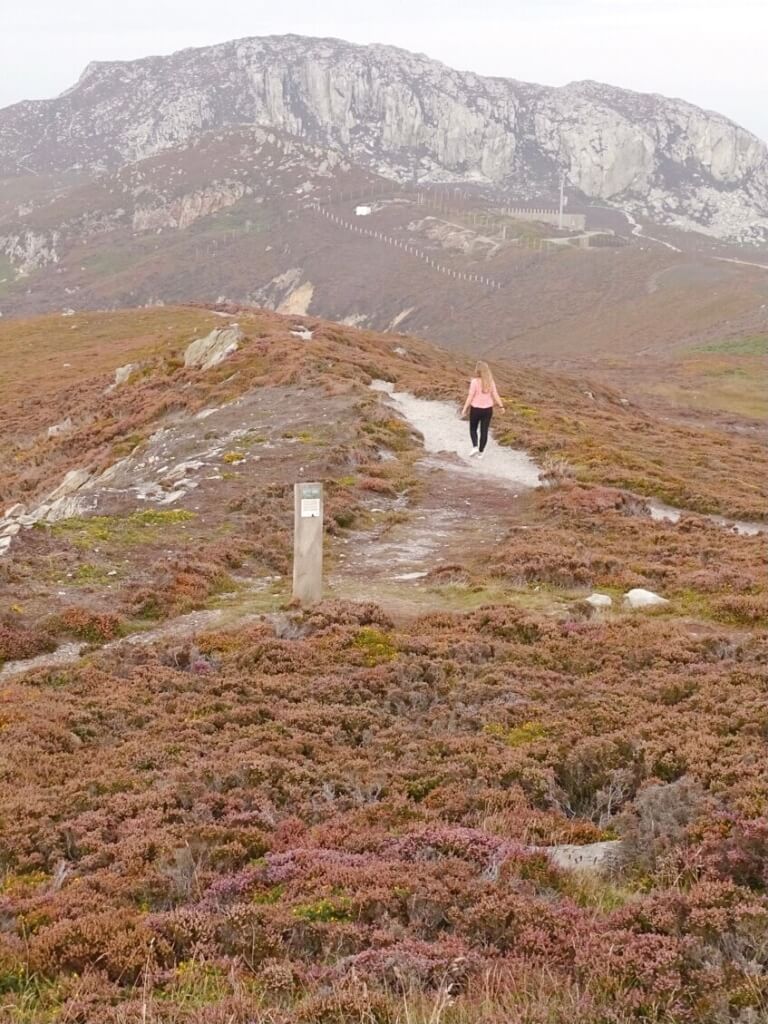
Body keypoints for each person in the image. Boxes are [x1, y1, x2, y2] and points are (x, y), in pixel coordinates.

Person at [461, 360, 504, 460]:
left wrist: (465, 408)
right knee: (484, 431)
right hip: (488, 410)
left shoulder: (474, 382)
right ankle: (481, 452)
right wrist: (501, 406)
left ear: (477, 371)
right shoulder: (490, 382)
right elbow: (495, 395)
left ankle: (475, 446)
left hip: (476, 409)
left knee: (473, 429)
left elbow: (470, 396)